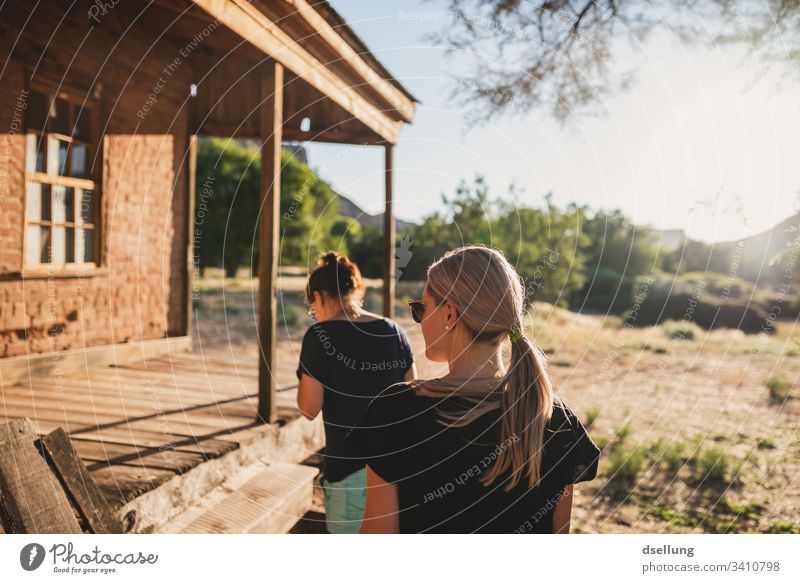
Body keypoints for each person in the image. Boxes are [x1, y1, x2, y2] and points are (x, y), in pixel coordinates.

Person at [347, 245, 601, 533]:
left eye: (422, 308)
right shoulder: (553, 419)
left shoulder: (396, 410)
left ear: (449, 315)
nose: (419, 320)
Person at [296, 251, 417, 534]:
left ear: (319, 296)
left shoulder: (319, 336)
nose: (315, 313)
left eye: (312, 305)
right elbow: (413, 398)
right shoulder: (394, 331)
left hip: (348, 480)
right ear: (354, 290)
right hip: (396, 477)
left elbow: (308, 408)